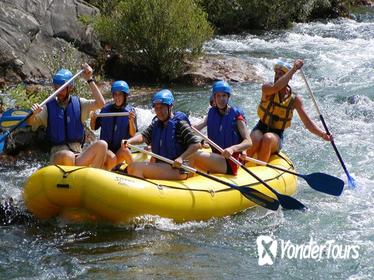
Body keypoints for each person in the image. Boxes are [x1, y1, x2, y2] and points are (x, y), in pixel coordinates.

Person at [246, 59, 331, 162]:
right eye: (276, 73)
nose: (277, 76)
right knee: (255, 138)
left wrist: (322, 134)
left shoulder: (294, 100)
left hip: (276, 135)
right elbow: (276, 87)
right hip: (260, 127)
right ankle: (241, 165)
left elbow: (307, 123)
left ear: (288, 77)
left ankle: (260, 169)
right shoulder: (267, 88)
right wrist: (294, 69)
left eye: (281, 74)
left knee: (267, 138)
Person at [28, 63, 108, 168]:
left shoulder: (80, 104)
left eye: (62, 88)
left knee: (102, 145)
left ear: (70, 87)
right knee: (68, 155)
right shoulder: (47, 107)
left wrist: (89, 78)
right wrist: (33, 114)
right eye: (56, 87)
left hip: (77, 155)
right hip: (58, 156)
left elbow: (101, 104)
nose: (58, 91)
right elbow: (31, 122)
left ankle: (93, 177)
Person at [123, 89, 201, 180]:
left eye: (162, 108)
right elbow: (143, 136)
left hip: (178, 169)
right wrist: (129, 141)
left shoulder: (180, 123)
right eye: (156, 108)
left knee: (134, 168)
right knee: (132, 167)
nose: (159, 111)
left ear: (170, 106)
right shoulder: (156, 123)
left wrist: (181, 158)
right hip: (162, 165)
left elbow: (196, 145)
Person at [189, 80, 252, 176]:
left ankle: (186, 178)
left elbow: (248, 141)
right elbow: (197, 127)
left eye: (224, 96)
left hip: (230, 162)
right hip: (216, 157)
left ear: (228, 97)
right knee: (189, 150)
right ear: (214, 97)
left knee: (193, 155)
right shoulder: (212, 113)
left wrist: (232, 149)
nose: (221, 99)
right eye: (218, 96)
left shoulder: (237, 116)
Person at [90, 80, 137, 170]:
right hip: (106, 150)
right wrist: (93, 119)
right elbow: (93, 128)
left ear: (125, 96)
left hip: (119, 150)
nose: (117, 97)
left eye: (120, 94)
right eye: (115, 94)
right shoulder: (105, 110)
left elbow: (132, 134)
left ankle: (135, 174)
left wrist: (131, 121)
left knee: (126, 151)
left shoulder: (130, 112)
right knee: (112, 158)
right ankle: (108, 173)